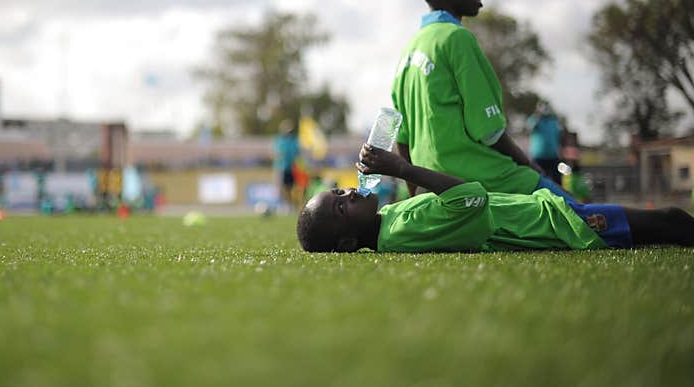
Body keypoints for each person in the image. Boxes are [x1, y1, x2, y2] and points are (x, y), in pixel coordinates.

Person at [389, 0, 574, 201]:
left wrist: (417, 198)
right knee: (589, 217)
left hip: (439, 189)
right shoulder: (456, 38)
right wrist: (530, 166)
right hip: (487, 179)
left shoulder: (408, 52)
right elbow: (489, 132)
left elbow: (402, 140)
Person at [296, 144, 694, 253]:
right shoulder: (402, 231)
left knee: (667, 224)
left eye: (339, 190)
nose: (348, 192)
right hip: (557, 226)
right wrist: (402, 169)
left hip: (546, 214)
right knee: (671, 220)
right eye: (341, 205)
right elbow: (473, 198)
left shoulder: (389, 222)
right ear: (348, 242)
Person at [526, 102, 562, 183]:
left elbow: (558, 137)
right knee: (537, 181)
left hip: (553, 157)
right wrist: (538, 115)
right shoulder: (534, 119)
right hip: (538, 157)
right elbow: (529, 128)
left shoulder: (554, 121)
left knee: (557, 182)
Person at [273, 120, 301, 208]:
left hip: (292, 168)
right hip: (282, 168)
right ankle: (287, 204)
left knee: (293, 188)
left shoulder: (294, 141)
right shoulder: (279, 141)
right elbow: (276, 154)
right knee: (282, 188)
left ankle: (293, 205)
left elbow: (297, 154)